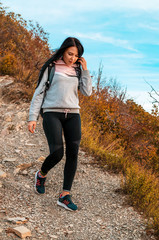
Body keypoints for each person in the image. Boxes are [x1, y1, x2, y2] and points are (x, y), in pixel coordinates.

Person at [27, 37, 92, 211]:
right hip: (51, 113)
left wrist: (85, 70)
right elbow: (39, 92)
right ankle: (41, 174)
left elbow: (87, 92)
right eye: (70, 53)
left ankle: (65, 195)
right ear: (63, 51)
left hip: (73, 114)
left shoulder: (78, 70)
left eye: (75, 55)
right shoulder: (51, 67)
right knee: (57, 153)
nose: (72, 58)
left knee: (73, 153)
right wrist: (32, 117)